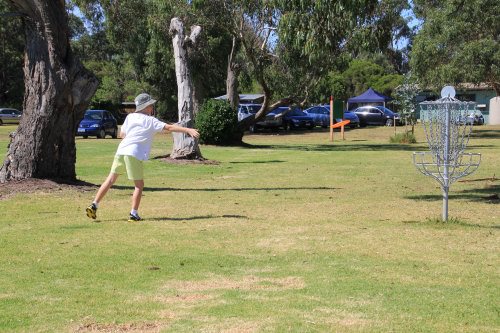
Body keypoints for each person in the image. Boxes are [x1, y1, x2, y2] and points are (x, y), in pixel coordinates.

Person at [86, 93, 200, 222]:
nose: (152, 108)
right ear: (146, 107)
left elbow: (122, 134)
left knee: (110, 179)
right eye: (151, 105)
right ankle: (133, 214)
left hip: (121, 150)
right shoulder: (151, 121)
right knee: (139, 184)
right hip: (133, 153)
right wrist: (188, 130)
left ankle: (94, 204)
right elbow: (169, 127)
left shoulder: (130, 117)